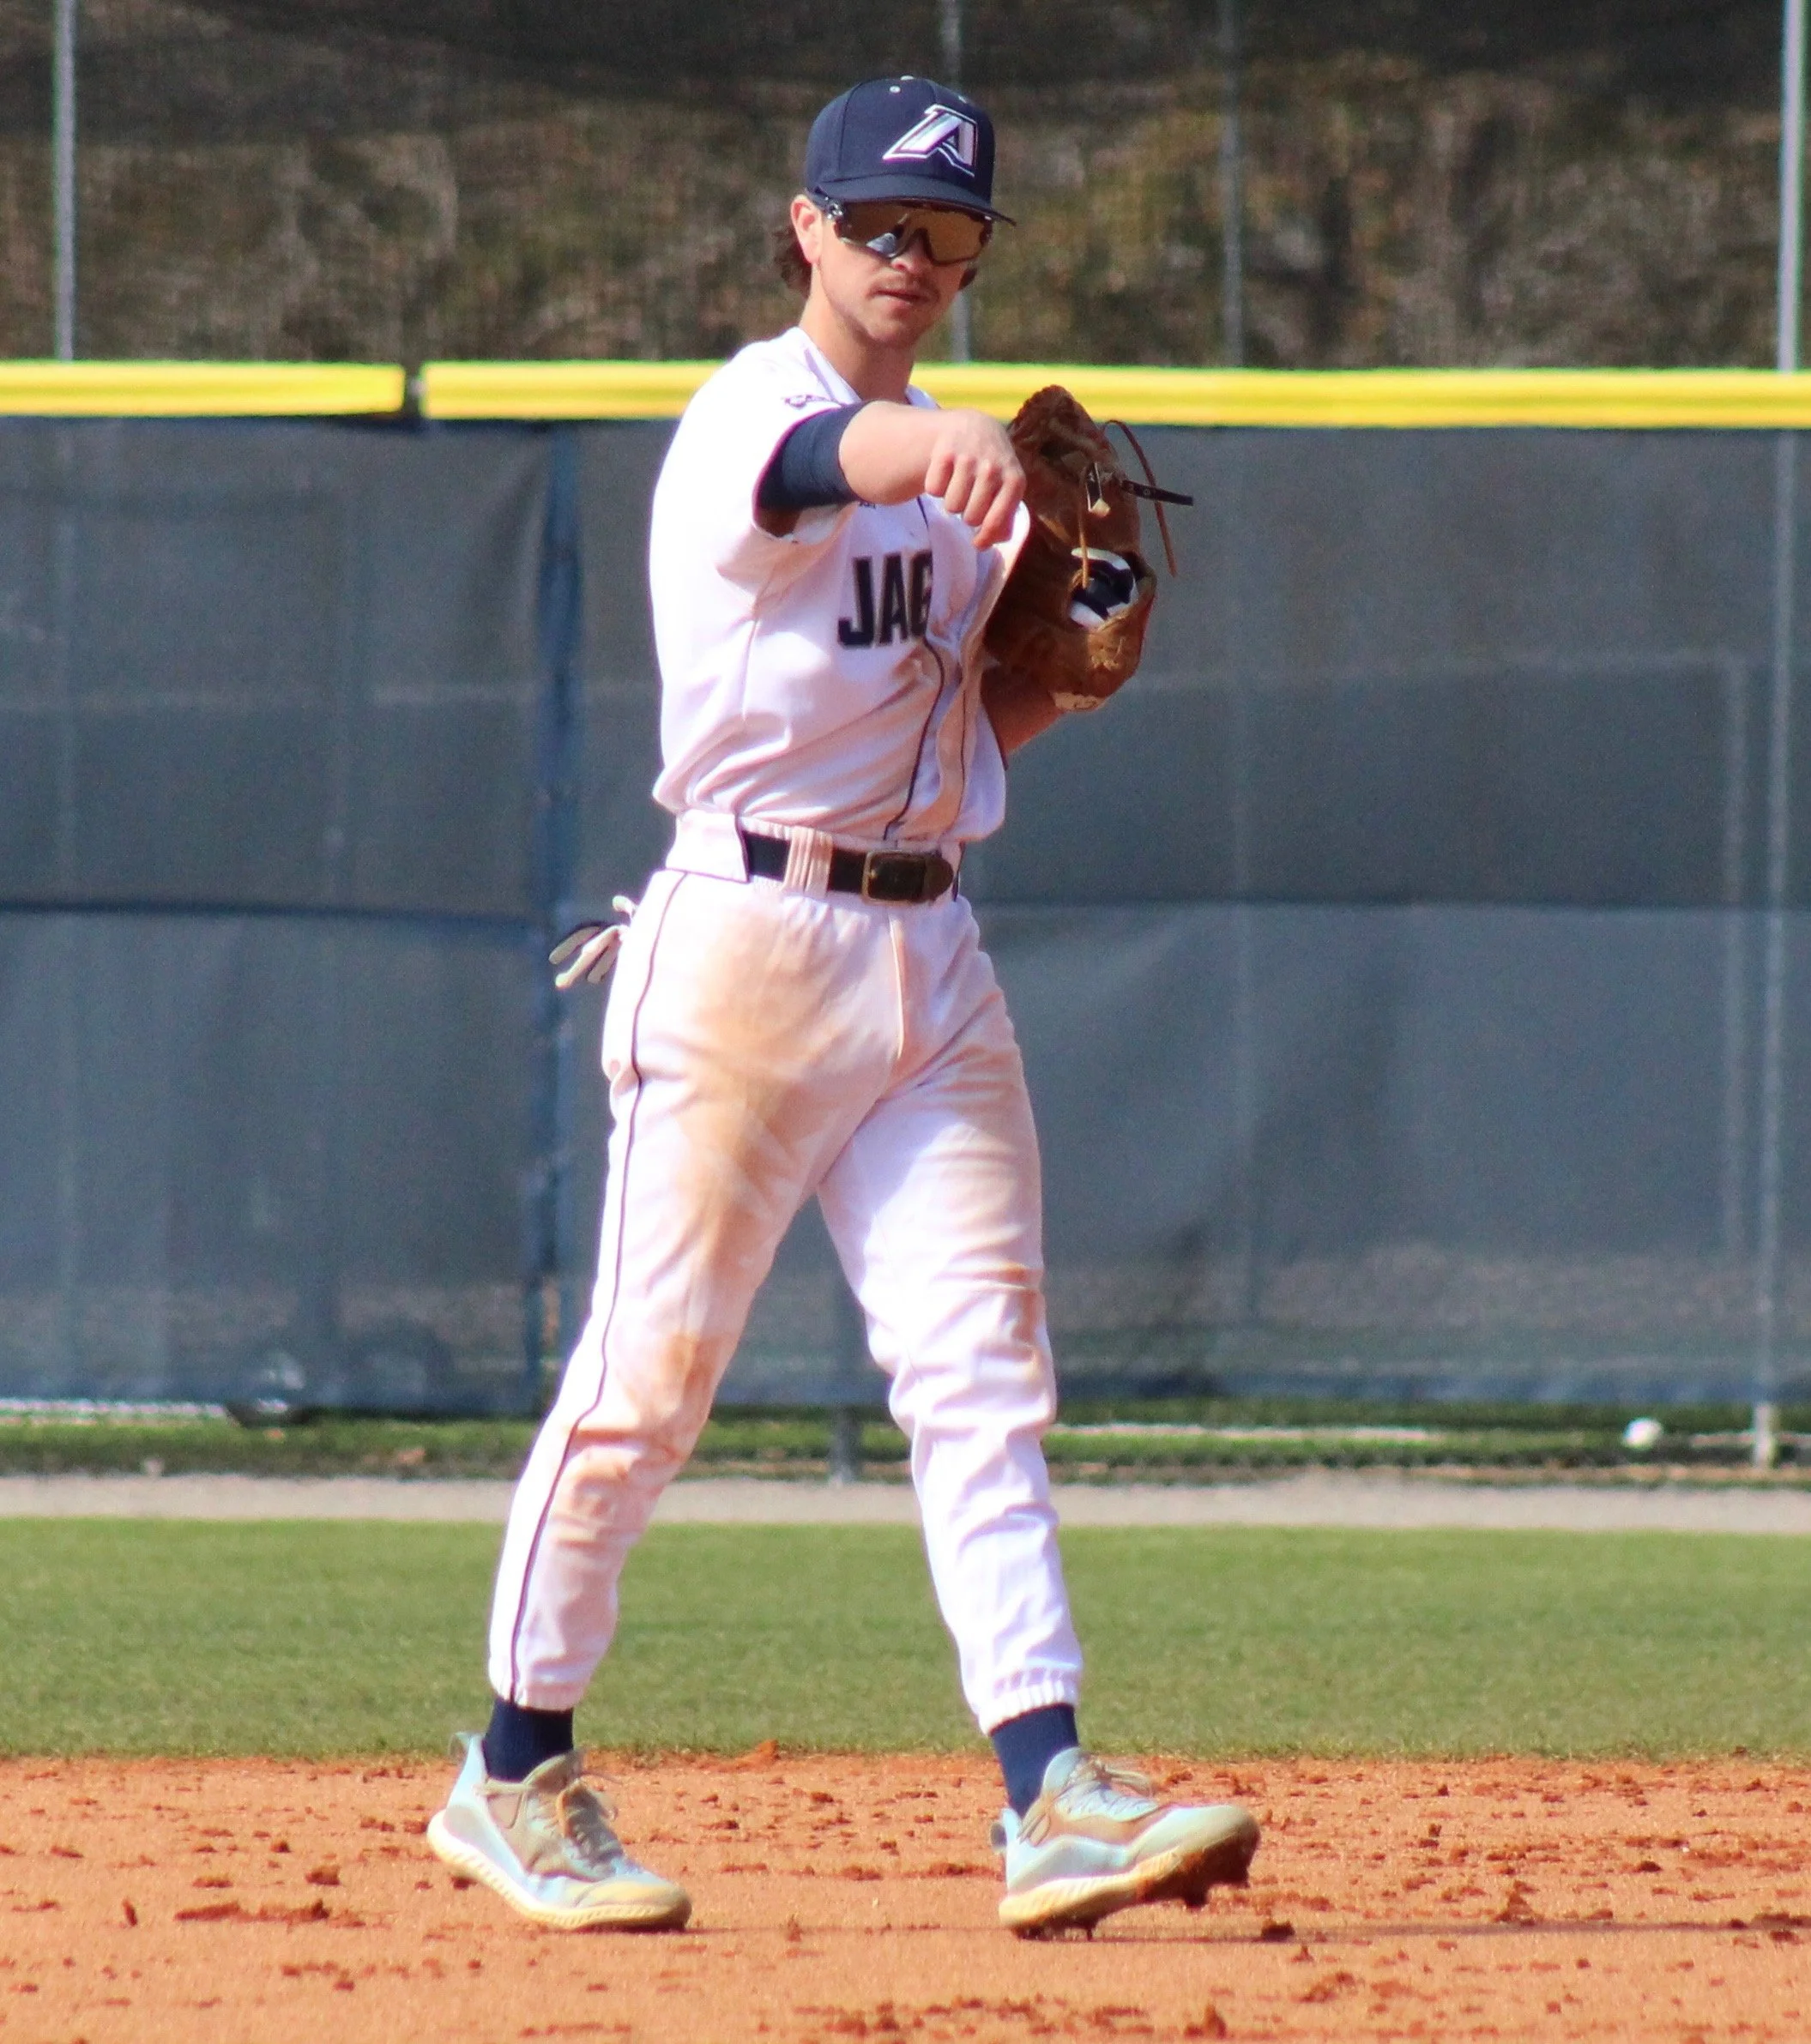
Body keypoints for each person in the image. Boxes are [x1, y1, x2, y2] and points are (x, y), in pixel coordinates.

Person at [426, 73, 1259, 1940]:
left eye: (946, 231)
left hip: (929, 956)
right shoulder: (758, 411)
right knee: (646, 1385)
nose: (910, 256)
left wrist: (1068, 668)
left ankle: (1047, 1788)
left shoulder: (965, 498)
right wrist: (931, 444)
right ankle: (512, 1768)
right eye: (878, 221)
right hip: (743, 943)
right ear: (805, 226)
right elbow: (828, 467)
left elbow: (966, 731)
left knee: (980, 1379)